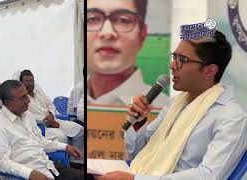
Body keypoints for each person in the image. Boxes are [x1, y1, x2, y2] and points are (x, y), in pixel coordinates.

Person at [96, 31, 247, 180]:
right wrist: (139, 121)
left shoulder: (231, 117)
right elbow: (139, 153)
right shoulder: (176, 103)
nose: (172, 65)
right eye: (174, 56)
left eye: (182, 59)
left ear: (209, 70)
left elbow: (209, 176)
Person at [0, 80, 84, 180]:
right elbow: (0, 163)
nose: (28, 100)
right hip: (25, 176)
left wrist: (65, 147)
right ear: (8, 103)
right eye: (22, 98)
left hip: (47, 168)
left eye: (26, 95)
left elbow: (40, 141)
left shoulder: (27, 115)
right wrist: (29, 174)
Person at [87, 0, 168, 107]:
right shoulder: (76, 95)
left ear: (142, 34)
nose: (107, 33)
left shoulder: (163, 107)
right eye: (92, 19)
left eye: (123, 20)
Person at [20, 70, 85, 166]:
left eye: (32, 80)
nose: (30, 83)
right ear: (21, 82)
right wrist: (47, 120)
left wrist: (52, 115)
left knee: (80, 129)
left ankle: (75, 161)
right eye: (27, 81)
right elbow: (27, 115)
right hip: (41, 125)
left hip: (54, 119)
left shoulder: (37, 89)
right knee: (61, 137)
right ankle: (60, 164)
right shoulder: (22, 97)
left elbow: (51, 104)